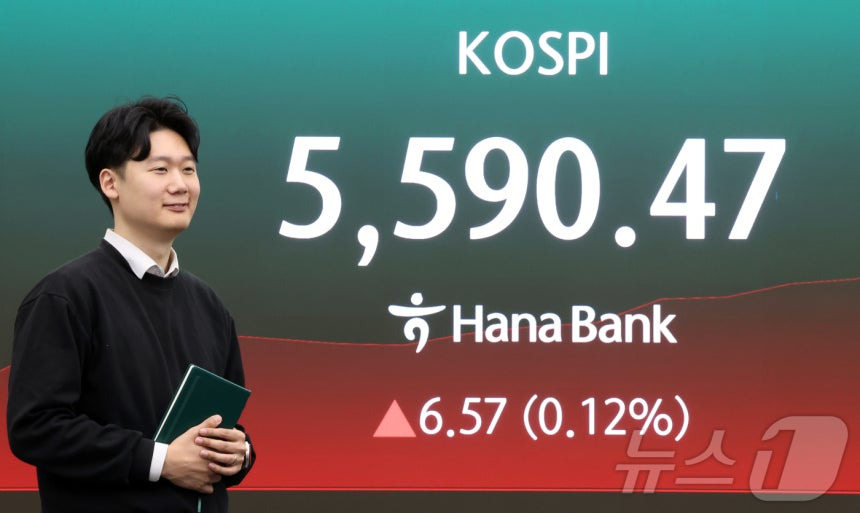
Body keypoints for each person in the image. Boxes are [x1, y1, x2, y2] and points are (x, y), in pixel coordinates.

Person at [7, 97, 255, 513]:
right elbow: (36, 427)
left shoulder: (210, 307)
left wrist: (239, 452)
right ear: (110, 183)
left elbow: (222, 427)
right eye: (160, 169)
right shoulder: (66, 295)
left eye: (188, 169)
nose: (180, 185)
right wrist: (159, 461)